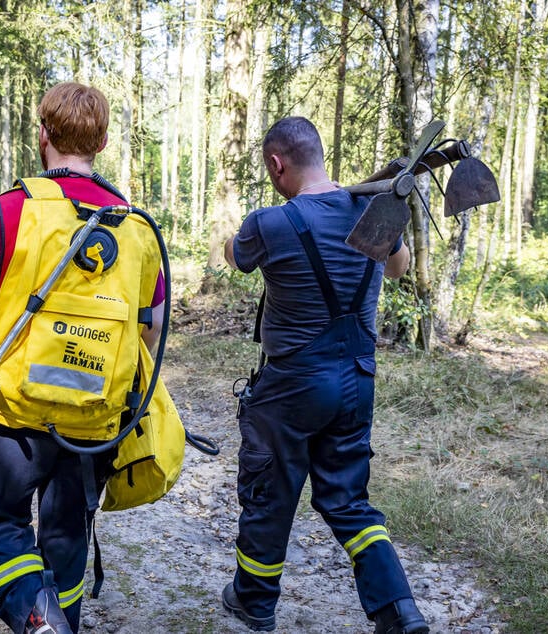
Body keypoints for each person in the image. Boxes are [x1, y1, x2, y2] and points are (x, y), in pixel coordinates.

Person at [0, 82, 165, 634]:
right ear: (104, 142)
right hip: (93, 420)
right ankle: (61, 621)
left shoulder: (13, 210)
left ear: (43, 136)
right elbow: (151, 329)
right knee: (66, 536)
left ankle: (37, 620)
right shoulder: (137, 229)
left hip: (10, 417)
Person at [220, 116, 427, 634]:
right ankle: (398, 609)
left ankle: (255, 602)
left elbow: (234, 257)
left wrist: (237, 234)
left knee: (270, 490)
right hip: (356, 381)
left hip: (291, 385)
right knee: (348, 500)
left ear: (276, 163)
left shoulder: (271, 223)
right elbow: (398, 268)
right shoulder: (373, 212)